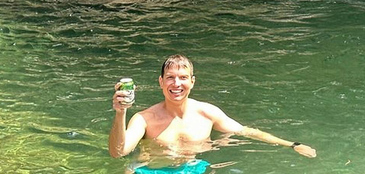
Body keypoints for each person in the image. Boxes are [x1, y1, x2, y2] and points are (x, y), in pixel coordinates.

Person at [109, 54, 317, 165]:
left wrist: (291, 144)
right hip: (151, 171)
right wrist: (120, 112)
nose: (177, 84)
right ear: (161, 82)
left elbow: (246, 132)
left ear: (192, 82)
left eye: (183, 78)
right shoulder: (144, 119)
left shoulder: (207, 113)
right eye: (170, 77)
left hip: (194, 169)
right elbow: (118, 153)